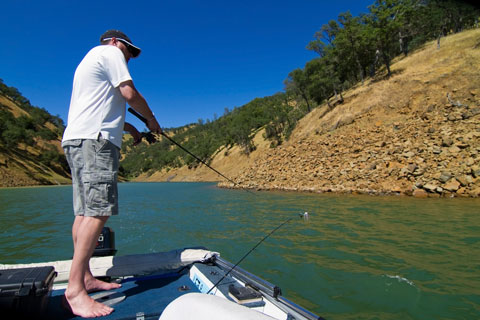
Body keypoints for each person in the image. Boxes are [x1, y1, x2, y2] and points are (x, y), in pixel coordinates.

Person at [61, 29, 162, 317]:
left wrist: (130, 129)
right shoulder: (110, 53)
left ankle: (85, 277)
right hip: (95, 142)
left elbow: (104, 104)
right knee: (97, 212)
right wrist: (151, 120)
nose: (129, 58)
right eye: (129, 52)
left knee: (84, 213)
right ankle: (75, 292)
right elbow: (128, 93)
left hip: (77, 140)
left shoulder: (89, 61)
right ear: (118, 43)